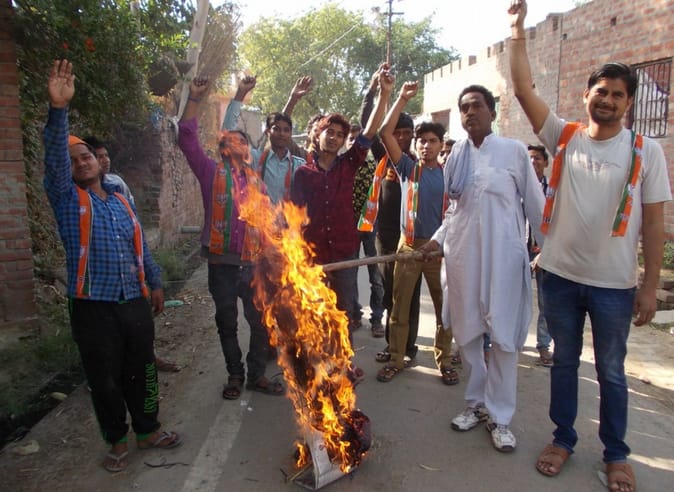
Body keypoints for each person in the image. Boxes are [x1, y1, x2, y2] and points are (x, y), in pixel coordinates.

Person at [509, 1, 671, 488]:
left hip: (614, 287)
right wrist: (516, 29)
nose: (608, 100)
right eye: (601, 91)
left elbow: (655, 224)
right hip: (559, 276)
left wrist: (648, 286)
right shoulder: (565, 136)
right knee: (563, 362)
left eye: (618, 94)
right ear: (587, 96)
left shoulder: (646, 151)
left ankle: (616, 454)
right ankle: (563, 439)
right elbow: (522, 89)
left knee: (612, 372)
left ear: (628, 103)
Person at [43, 60, 181, 473]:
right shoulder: (67, 200)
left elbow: (140, 249)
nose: (82, 162)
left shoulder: (121, 201)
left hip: (133, 301)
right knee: (104, 378)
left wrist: (155, 283)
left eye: (86, 156)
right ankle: (117, 442)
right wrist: (58, 109)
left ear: (99, 161)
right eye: (74, 160)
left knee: (142, 368)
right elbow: (54, 161)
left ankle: (148, 430)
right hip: (93, 306)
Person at [419, 83, 545, 452]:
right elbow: (455, 211)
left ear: (492, 111)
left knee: (503, 337)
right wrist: (437, 240)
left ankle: (500, 417)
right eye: (464, 107)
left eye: (476, 105)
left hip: (503, 257)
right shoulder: (456, 155)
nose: (470, 112)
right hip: (463, 257)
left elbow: (536, 205)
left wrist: (548, 251)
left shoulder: (514, 151)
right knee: (468, 334)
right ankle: (475, 404)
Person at [178, 75, 284, 400]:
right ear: (223, 149)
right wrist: (194, 99)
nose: (237, 144)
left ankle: (257, 375)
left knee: (260, 323)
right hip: (222, 266)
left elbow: (267, 223)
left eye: (242, 141)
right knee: (227, 322)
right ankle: (235, 375)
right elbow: (186, 138)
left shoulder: (257, 183)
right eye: (231, 140)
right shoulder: (210, 172)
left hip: (253, 266)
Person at [290, 63, 393, 383]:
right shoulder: (303, 174)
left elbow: (370, 131)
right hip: (314, 257)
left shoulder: (350, 164)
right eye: (329, 132)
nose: (334, 138)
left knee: (344, 312)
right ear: (317, 135)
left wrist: (384, 94)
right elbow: (294, 218)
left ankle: (344, 364)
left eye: (340, 134)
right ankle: (318, 365)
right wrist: (296, 259)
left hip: (345, 253)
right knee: (316, 312)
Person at [374, 81, 455, 385]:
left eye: (432, 141)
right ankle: (396, 359)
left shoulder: (450, 175)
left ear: (440, 145)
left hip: (438, 252)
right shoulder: (408, 168)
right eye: (421, 141)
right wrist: (401, 99)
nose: (426, 146)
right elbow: (385, 132)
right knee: (399, 308)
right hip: (408, 247)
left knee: (444, 310)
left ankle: (444, 362)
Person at [83, 136, 181, 373]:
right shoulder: (75, 201)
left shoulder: (118, 191)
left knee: (141, 349)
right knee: (106, 359)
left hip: (131, 290)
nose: (104, 160)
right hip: (98, 298)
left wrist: (155, 281)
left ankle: (148, 363)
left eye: (105, 155)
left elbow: (138, 240)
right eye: (97, 156)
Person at [358, 68, 423, 358]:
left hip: (413, 239)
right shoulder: (383, 157)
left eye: (407, 134)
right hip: (385, 238)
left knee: (410, 295)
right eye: (397, 133)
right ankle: (392, 344)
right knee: (389, 293)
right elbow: (367, 123)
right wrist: (374, 90)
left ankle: (408, 346)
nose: (402, 137)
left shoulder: (417, 164)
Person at [222, 75, 307, 203]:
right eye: (276, 129)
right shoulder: (254, 158)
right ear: (267, 132)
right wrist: (241, 93)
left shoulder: (299, 165)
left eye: (286, 130)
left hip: (288, 216)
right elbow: (228, 138)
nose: (282, 134)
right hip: (257, 215)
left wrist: (293, 99)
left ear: (290, 134)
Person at [350, 122, 385, 335]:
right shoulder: (344, 167)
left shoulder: (375, 167)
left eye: (359, 139)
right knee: (349, 272)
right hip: (349, 226)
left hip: (372, 225)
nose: (355, 143)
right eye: (351, 139)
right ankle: (355, 315)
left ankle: (377, 319)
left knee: (375, 274)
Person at [527, 143, 553, 368]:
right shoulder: (516, 187)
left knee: (547, 303)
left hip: (546, 252)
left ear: (546, 162)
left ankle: (544, 345)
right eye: (529, 158)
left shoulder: (554, 189)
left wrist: (546, 251)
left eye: (537, 158)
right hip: (519, 250)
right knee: (508, 298)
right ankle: (495, 344)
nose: (533, 162)